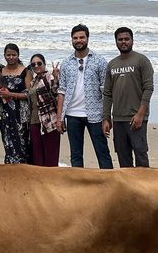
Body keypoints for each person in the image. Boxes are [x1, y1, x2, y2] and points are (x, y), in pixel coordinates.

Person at [57, 24, 113, 169]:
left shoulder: (99, 61)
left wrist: (107, 117)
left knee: (102, 152)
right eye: (75, 38)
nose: (78, 40)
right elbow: (61, 91)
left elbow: (106, 91)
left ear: (87, 38)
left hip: (95, 114)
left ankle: (108, 184)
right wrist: (60, 118)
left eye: (82, 37)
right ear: (71, 40)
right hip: (72, 114)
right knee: (75, 155)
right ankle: (79, 186)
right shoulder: (66, 63)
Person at [102, 27, 154, 168]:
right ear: (116, 42)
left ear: (132, 41)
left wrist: (140, 114)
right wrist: (106, 118)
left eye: (126, 39)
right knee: (123, 157)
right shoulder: (112, 64)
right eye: (120, 39)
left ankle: (144, 189)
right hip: (118, 119)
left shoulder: (142, 60)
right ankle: (128, 189)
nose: (123, 42)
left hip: (136, 118)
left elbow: (148, 88)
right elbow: (107, 93)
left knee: (140, 154)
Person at [0, 43, 30, 164]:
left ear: (18, 55)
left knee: (22, 142)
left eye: (14, 55)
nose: (11, 57)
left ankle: (24, 169)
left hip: (21, 113)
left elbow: (29, 95)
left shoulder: (25, 71)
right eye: (8, 55)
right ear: (4, 56)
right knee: (7, 142)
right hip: (4, 112)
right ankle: (10, 170)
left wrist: (11, 95)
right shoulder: (0, 71)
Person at [26, 54, 60, 166]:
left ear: (44, 64)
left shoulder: (49, 78)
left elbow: (56, 94)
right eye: (33, 64)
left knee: (51, 156)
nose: (36, 66)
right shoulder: (33, 82)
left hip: (49, 122)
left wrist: (56, 78)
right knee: (37, 157)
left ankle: (52, 181)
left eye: (39, 63)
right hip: (34, 122)